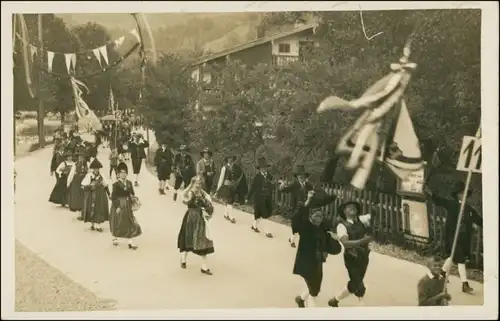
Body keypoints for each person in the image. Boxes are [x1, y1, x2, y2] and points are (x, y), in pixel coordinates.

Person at [425, 181, 482, 293]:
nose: (464, 195)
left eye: (466, 193)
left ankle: (441, 273)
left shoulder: (468, 209)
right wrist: (429, 191)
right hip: (452, 237)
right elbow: (438, 200)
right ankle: (464, 284)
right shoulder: (451, 204)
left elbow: (479, 220)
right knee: (460, 259)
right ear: (458, 195)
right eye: (462, 193)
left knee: (452, 257)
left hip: (463, 238)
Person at [292, 189, 341, 308]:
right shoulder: (305, 226)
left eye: (320, 216)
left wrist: (335, 239)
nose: (318, 218)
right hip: (306, 261)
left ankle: (301, 299)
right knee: (313, 289)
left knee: (316, 285)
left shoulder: (324, 228)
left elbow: (336, 249)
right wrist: (307, 201)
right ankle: (312, 309)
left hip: (318, 261)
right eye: (315, 215)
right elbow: (296, 219)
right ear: (311, 217)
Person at [328, 201, 375, 307]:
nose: (352, 208)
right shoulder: (342, 226)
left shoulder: (361, 219)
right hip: (352, 257)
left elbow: (372, 216)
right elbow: (346, 243)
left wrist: (374, 209)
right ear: (344, 211)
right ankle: (361, 304)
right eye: (349, 207)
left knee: (356, 283)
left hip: (364, 255)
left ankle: (335, 300)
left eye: (354, 207)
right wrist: (362, 241)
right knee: (358, 283)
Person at [177, 176, 215, 275]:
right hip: (190, 218)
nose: (198, 185)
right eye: (196, 183)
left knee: (204, 240)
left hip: (200, 219)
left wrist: (207, 205)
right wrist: (190, 186)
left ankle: (204, 267)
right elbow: (183, 196)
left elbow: (209, 200)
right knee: (188, 239)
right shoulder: (191, 193)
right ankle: (183, 259)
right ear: (193, 183)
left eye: (199, 183)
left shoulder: (202, 193)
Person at [279, 165, 315, 248]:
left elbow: (312, 197)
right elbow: (285, 190)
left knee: (304, 226)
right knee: (295, 225)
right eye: (299, 175)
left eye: (303, 175)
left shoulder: (309, 186)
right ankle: (292, 240)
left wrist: (311, 197)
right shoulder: (294, 185)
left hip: (305, 209)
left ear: (305, 176)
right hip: (296, 209)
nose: (301, 177)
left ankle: (297, 240)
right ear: (297, 176)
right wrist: (281, 187)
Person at [109, 162, 142, 249]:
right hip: (119, 205)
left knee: (130, 222)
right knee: (117, 222)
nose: (123, 174)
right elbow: (113, 197)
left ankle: (130, 242)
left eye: (125, 172)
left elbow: (132, 193)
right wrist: (117, 206)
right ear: (118, 174)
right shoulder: (115, 185)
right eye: (121, 173)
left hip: (127, 205)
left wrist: (133, 199)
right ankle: (115, 238)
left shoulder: (129, 183)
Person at [247, 157, 275, 238]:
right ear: (259, 169)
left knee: (262, 215)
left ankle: (254, 225)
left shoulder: (269, 176)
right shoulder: (257, 177)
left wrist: (272, 185)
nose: (264, 169)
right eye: (262, 168)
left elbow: (272, 185)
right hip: (259, 199)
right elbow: (252, 188)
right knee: (265, 215)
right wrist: (248, 197)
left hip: (267, 198)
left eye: (265, 167)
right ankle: (267, 232)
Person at [81, 158, 110, 232]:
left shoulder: (101, 175)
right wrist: (90, 187)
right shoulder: (89, 175)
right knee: (91, 208)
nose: (96, 170)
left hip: (100, 195)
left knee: (99, 209)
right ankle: (93, 224)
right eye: (94, 168)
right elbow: (83, 185)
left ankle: (98, 225)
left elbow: (105, 184)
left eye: (97, 168)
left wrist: (109, 193)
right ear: (92, 169)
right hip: (91, 195)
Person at [215, 155, 240, 223]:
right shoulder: (224, 168)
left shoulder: (236, 167)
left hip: (233, 186)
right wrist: (218, 187)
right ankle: (231, 217)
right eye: (229, 158)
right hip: (226, 186)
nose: (230, 160)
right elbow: (221, 178)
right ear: (227, 159)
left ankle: (226, 214)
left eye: (231, 158)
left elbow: (238, 177)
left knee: (230, 201)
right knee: (229, 201)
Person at [67, 149, 89, 218]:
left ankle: (84, 213)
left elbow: (89, 173)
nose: (81, 158)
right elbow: (71, 174)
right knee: (78, 198)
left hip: (85, 182)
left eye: (82, 156)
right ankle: (80, 214)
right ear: (78, 157)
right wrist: (68, 182)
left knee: (85, 197)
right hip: (76, 182)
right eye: (80, 156)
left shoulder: (87, 164)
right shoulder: (75, 164)